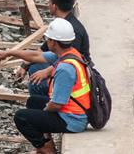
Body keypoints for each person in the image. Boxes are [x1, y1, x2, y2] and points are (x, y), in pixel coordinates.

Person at [8, 18, 91, 153]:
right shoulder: (70, 54)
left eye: (48, 39)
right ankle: (47, 144)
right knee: (33, 101)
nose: (47, 42)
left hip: (72, 120)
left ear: (53, 42)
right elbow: (35, 55)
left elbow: (57, 104)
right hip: (76, 111)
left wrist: (44, 111)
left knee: (21, 117)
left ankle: (47, 150)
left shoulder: (65, 68)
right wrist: (9, 53)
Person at [0, 0, 90, 97]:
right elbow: (40, 52)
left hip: (78, 73)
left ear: (54, 6)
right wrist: (23, 66)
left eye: (49, 2)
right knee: (34, 66)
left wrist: (45, 72)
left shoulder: (72, 29)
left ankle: (43, 105)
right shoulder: (60, 25)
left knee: (37, 79)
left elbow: (71, 62)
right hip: (65, 63)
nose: (47, 4)